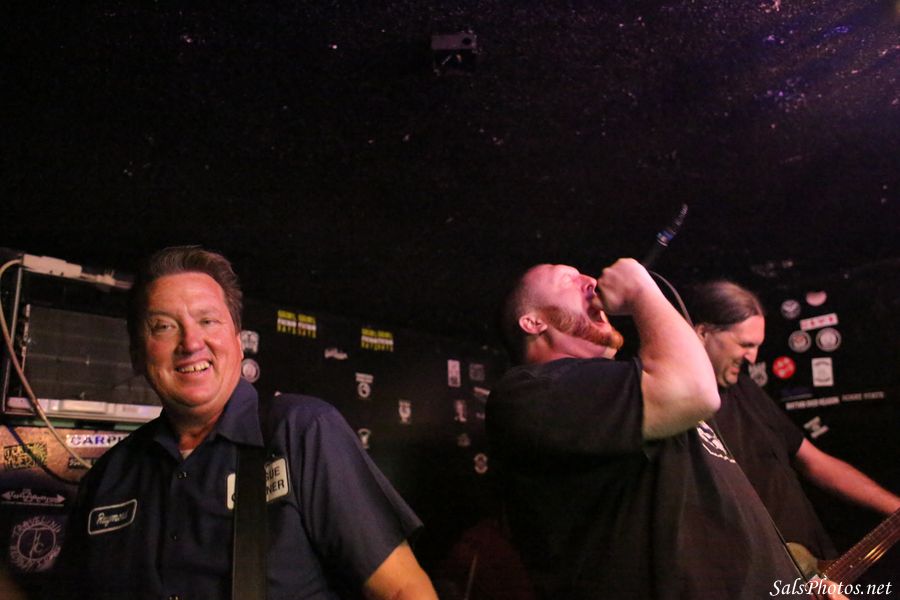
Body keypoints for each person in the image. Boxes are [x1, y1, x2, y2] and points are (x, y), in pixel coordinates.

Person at [57, 246, 438, 600]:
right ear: (138, 355)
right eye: (163, 326)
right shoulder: (108, 476)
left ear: (239, 343)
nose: (191, 343)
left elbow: (403, 590)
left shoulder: (302, 431)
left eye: (208, 320)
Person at [486, 259, 819, 600]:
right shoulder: (529, 393)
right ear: (533, 321)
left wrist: (794, 582)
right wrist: (640, 289)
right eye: (567, 279)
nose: (589, 280)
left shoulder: (635, 388)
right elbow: (696, 390)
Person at [687, 280, 900, 564]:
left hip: (814, 565)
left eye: (757, 346)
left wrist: (895, 508)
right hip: (759, 575)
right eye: (745, 344)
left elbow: (814, 462)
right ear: (703, 333)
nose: (753, 357)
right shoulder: (679, 408)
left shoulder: (745, 389)